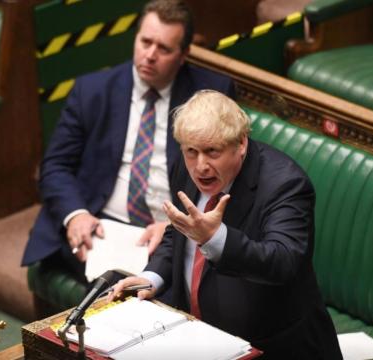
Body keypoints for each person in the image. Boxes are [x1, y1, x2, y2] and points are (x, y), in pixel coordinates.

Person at [109, 90, 342, 359]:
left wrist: (216, 239)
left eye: (212, 152)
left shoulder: (285, 185)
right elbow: (180, 231)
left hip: (272, 347)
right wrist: (153, 277)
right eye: (192, 152)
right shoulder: (184, 167)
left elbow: (283, 261)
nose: (200, 166)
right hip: (200, 338)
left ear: (241, 143)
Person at [21, 0, 235, 285]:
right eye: (145, 42)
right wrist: (77, 215)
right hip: (100, 223)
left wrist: (176, 227)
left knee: (150, 282)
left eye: (164, 49)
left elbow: (225, 176)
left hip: (164, 230)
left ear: (183, 55)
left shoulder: (211, 93)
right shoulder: (92, 90)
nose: (150, 55)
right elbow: (55, 165)